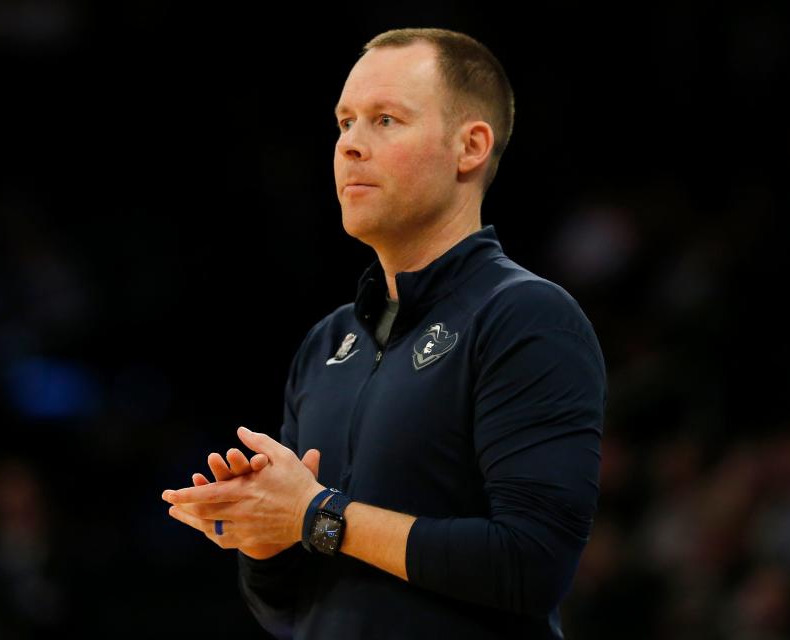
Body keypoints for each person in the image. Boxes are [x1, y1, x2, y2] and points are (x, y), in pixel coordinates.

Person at [161, 27, 607, 639]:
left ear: (470, 146)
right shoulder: (326, 343)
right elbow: (291, 609)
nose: (350, 146)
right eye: (344, 123)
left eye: (385, 120)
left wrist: (317, 515)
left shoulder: (527, 317)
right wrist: (265, 536)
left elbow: (531, 565)